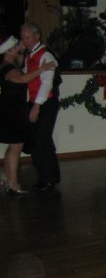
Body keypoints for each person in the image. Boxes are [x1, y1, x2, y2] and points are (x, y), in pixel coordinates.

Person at [0, 36, 55, 194]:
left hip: (13, 108)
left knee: (14, 145)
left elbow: (23, 64)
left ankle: (9, 179)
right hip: (11, 110)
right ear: (8, 51)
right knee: (16, 146)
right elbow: (21, 79)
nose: (19, 47)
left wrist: (23, 49)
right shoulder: (7, 67)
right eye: (15, 47)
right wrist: (42, 69)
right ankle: (13, 184)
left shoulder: (11, 64)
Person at [21, 23, 60, 191]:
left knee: (41, 140)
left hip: (46, 103)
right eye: (23, 38)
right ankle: (49, 177)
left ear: (37, 37)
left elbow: (46, 83)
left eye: (27, 37)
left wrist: (36, 106)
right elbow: (27, 77)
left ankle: (47, 178)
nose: (25, 41)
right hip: (35, 101)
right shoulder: (29, 55)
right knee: (40, 140)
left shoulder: (46, 55)